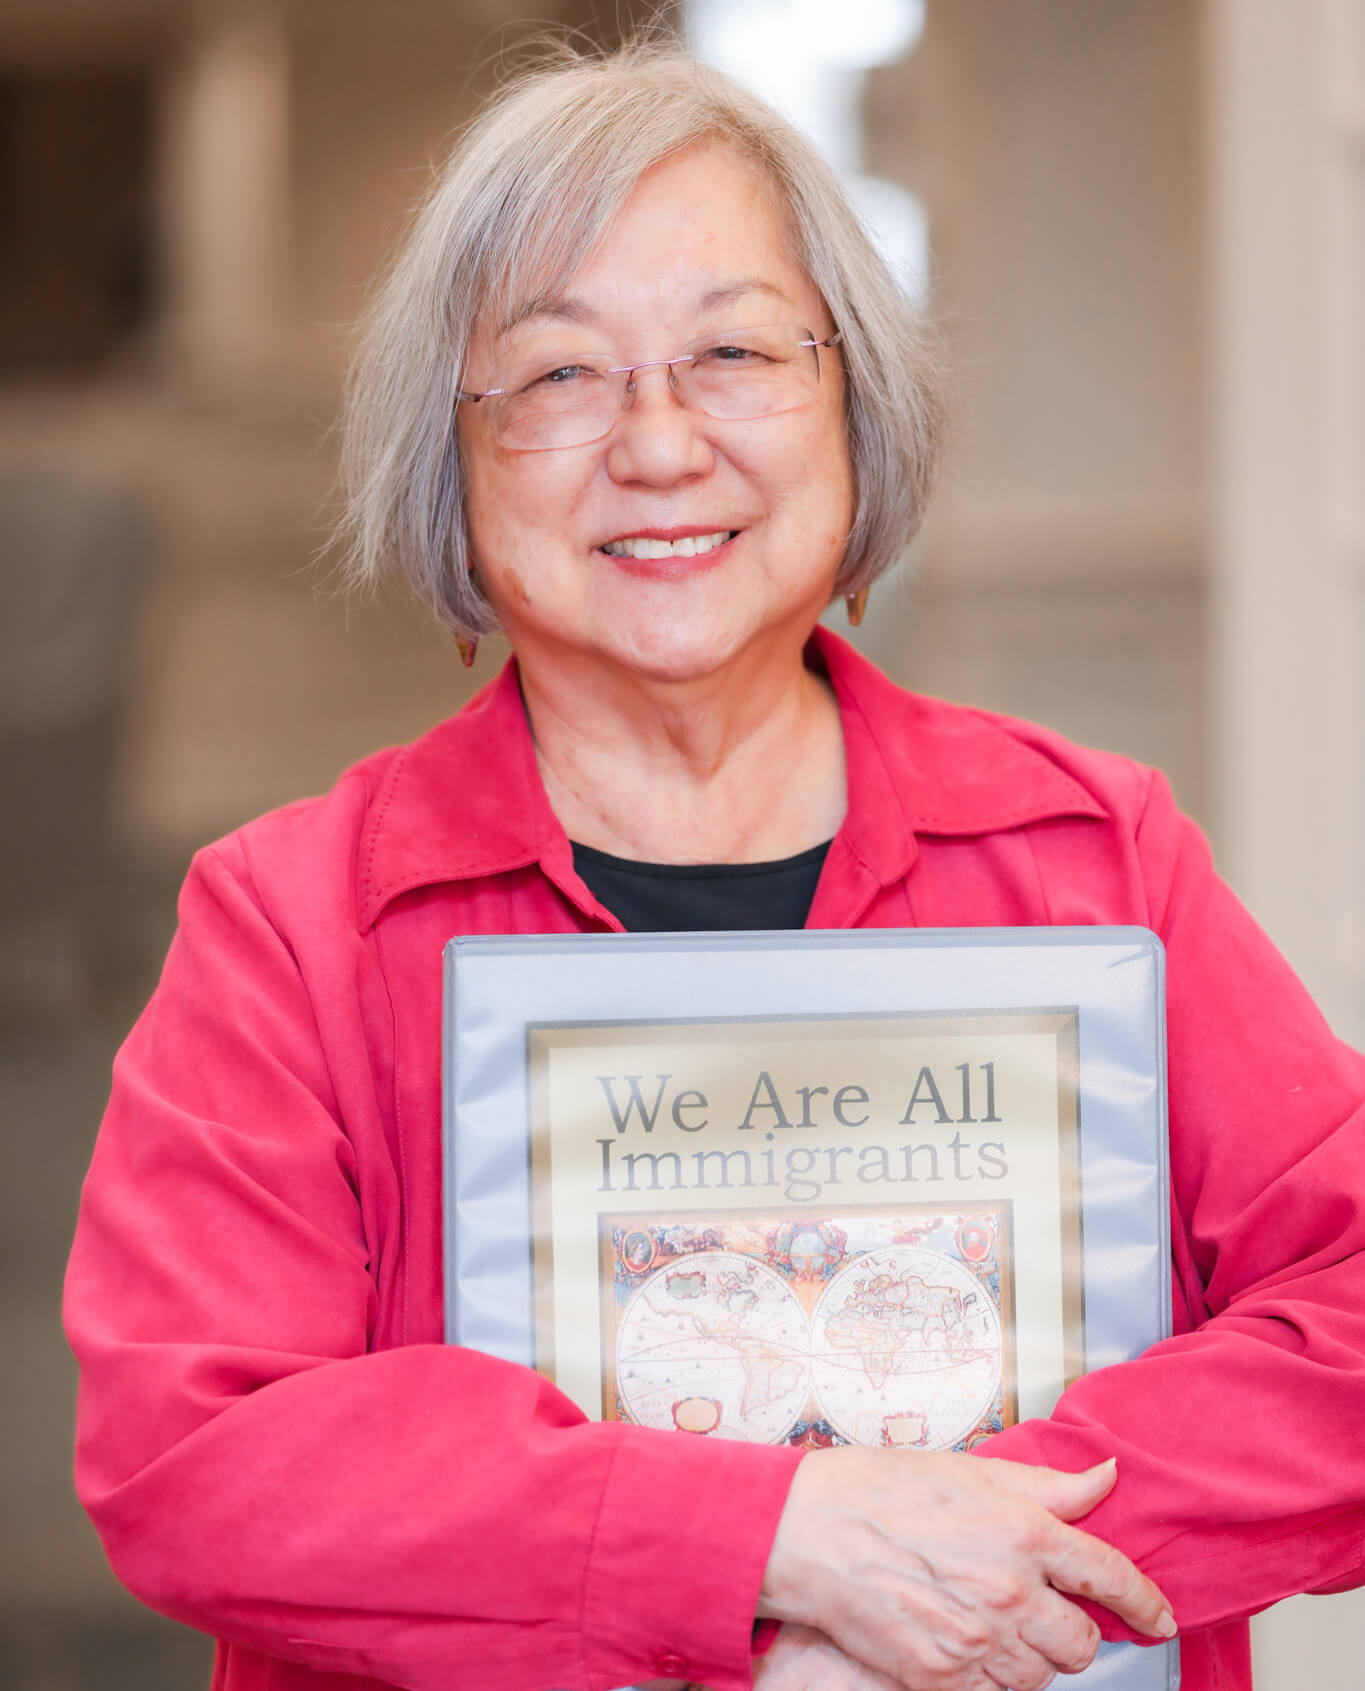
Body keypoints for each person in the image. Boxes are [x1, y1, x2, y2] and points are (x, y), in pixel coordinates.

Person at [64, 40, 1365, 1691]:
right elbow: (205, 1454)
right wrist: (773, 1546)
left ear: (852, 404)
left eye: (735, 351)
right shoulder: (291, 922)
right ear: (448, 469)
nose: (659, 444)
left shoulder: (1093, 858)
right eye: (555, 376)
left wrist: (964, 1551)